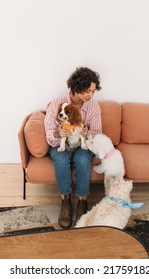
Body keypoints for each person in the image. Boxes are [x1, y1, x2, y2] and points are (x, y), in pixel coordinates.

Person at [44, 67, 102, 228]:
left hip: (82, 142)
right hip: (60, 144)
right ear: (76, 88)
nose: (90, 95)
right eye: (87, 91)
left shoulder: (93, 107)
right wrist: (58, 134)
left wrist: (87, 132)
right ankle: (65, 201)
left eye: (93, 92)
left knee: (83, 159)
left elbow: (98, 133)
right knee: (61, 160)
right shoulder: (57, 103)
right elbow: (49, 132)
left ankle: (82, 201)